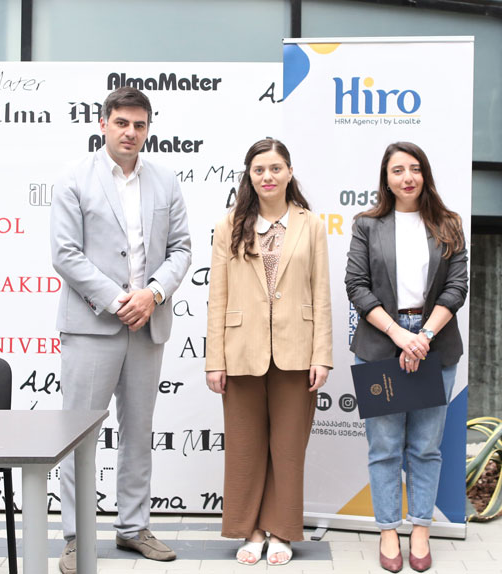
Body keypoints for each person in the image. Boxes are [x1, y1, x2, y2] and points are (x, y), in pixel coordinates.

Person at [50, 86, 191, 573]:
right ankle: (76, 536)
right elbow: (65, 254)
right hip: (93, 326)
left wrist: (152, 294)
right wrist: (118, 301)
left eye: (139, 124)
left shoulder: (166, 181)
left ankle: (133, 527)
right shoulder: (74, 178)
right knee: (78, 434)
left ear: (148, 129)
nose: (131, 132)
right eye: (122, 123)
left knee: (138, 431)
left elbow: (181, 249)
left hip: (148, 324)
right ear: (103, 124)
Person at [205, 138, 332, 566]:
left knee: (288, 447)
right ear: (249, 175)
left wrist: (322, 355)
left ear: (289, 172)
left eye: (276, 168)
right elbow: (217, 298)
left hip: (298, 350)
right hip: (241, 351)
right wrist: (215, 360)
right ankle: (252, 530)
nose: (268, 176)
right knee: (245, 447)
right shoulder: (229, 225)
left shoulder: (311, 225)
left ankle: (281, 531)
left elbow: (321, 294)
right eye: (259, 169)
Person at [344, 142, 467, 573]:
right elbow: (357, 286)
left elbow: (457, 287)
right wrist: (399, 335)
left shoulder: (449, 224)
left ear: (425, 174)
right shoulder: (367, 225)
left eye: (414, 169)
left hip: (435, 343)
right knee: (384, 447)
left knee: (426, 447)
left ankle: (420, 528)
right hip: (381, 343)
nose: (407, 177)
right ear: (386, 178)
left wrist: (424, 335)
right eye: (398, 170)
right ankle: (387, 530)